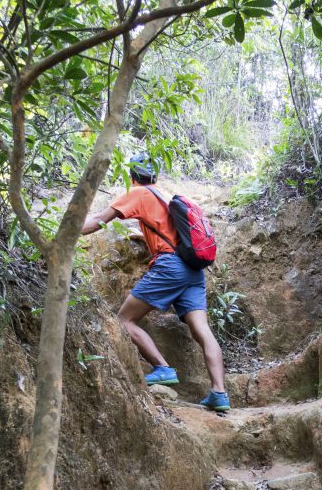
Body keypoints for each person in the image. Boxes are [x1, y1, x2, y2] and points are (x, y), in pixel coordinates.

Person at [81, 153, 230, 412]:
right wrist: (144, 235)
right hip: (194, 270)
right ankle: (219, 393)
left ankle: (162, 368)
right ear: (156, 176)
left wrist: (64, 231)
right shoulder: (166, 196)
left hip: (170, 267)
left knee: (124, 320)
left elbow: (97, 221)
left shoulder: (138, 193)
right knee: (202, 330)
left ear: (132, 177)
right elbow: (170, 231)